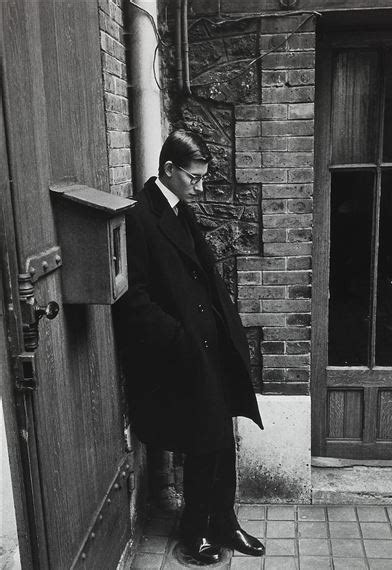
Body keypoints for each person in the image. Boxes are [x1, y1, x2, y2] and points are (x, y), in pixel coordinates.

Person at [117, 129, 264, 564]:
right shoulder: (141, 216)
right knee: (202, 441)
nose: (200, 186)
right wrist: (180, 342)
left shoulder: (179, 208)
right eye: (193, 178)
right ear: (168, 169)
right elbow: (133, 299)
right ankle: (194, 530)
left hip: (209, 346)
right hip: (181, 354)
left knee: (222, 437)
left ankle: (224, 521)